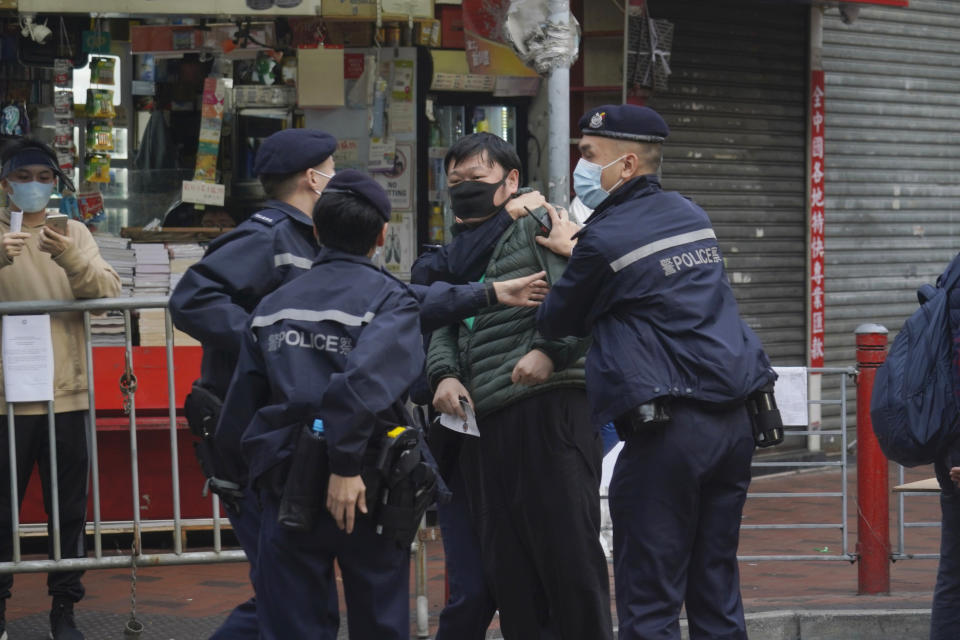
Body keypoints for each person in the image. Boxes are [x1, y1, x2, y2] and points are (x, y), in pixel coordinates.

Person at [170, 131, 548, 637]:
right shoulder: (357, 286)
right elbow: (363, 382)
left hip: (286, 472)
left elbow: (243, 407)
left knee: (294, 614)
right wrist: (342, 460)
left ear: (321, 233)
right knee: (373, 610)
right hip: (365, 473)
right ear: (379, 238)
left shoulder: (273, 308)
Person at [535, 104, 777, 640]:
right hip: (735, 423)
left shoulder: (603, 238)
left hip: (669, 431)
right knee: (715, 588)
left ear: (626, 166)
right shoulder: (691, 214)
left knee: (650, 598)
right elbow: (651, 287)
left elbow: (558, 320)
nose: (581, 167)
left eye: (588, 156)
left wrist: (569, 254)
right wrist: (583, 250)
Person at [425, 132, 613, 640]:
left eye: (476, 179)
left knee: (567, 561)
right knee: (511, 573)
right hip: (485, 419)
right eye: (455, 181)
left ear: (511, 180)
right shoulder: (457, 250)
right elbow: (442, 319)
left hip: (548, 407)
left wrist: (549, 352)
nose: (464, 189)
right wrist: (442, 372)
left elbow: (585, 296)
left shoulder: (541, 221)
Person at [169, 127, 341, 639]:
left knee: (295, 595)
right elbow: (191, 300)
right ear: (313, 178)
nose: (339, 180)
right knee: (291, 596)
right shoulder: (267, 234)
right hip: (253, 438)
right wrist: (271, 343)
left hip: (285, 437)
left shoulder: (310, 238)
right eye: (333, 170)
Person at [0, 138, 121, 640]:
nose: (34, 185)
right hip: (5, 402)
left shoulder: (73, 231)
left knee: (68, 511)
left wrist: (72, 258)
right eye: (24, 175)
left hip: (66, 394)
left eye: (45, 176)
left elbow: (109, 293)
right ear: (5, 183)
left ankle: (63, 609)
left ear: (58, 183)